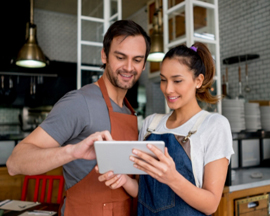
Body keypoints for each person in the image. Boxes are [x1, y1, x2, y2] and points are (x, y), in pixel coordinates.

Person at [6, 20, 151, 216]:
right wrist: (72, 151)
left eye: (137, 59)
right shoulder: (79, 102)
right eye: (120, 56)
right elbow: (15, 162)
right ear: (104, 55)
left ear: (143, 65)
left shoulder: (129, 111)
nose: (128, 67)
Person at [128, 42, 234, 215]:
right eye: (163, 80)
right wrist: (121, 180)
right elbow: (143, 191)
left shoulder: (214, 125)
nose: (168, 89)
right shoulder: (150, 124)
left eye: (177, 80)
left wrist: (172, 178)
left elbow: (211, 204)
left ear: (198, 81)